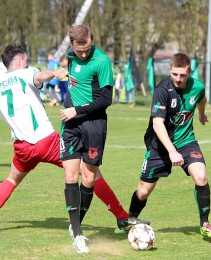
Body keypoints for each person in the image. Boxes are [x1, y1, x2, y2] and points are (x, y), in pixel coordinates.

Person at [0, 44, 148, 251]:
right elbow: (40, 77)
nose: (29, 64)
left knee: (12, 179)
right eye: (26, 60)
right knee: (89, 172)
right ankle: (121, 216)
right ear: (19, 61)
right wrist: (55, 73)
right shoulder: (24, 73)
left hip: (22, 148)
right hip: (47, 142)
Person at [60, 25, 148, 254]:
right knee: (70, 175)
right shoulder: (70, 56)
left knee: (88, 179)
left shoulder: (102, 61)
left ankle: (75, 223)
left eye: (87, 48)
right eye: (79, 50)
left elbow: (106, 99)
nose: (83, 53)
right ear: (72, 44)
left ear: (91, 39)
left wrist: (76, 109)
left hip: (94, 125)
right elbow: (75, 82)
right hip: (70, 123)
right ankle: (78, 233)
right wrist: (66, 82)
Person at [127, 52, 211, 238]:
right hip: (159, 146)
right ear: (170, 70)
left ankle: (205, 223)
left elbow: (202, 98)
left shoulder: (197, 86)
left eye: (183, 75)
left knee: (201, 176)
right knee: (143, 191)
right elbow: (157, 124)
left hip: (186, 141)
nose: (178, 78)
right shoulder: (162, 90)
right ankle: (130, 219)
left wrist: (201, 113)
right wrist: (172, 151)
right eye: (175, 74)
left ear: (189, 72)